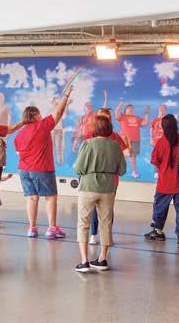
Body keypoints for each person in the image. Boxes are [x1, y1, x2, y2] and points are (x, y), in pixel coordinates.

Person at [13, 89, 72, 239]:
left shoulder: (19, 134)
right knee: (51, 197)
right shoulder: (42, 125)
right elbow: (58, 112)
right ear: (35, 116)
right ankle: (52, 229)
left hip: (24, 170)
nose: (41, 115)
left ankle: (32, 228)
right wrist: (66, 96)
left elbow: (19, 153)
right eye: (39, 114)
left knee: (32, 198)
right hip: (41, 169)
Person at [71, 115, 125, 273]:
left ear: (95, 128)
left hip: (88, 186)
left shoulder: (87, 144)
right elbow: (122, 170)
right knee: (105, 222)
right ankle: (102, 259)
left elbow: (78, 168)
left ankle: (84, 261)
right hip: (108, 188)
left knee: (83, 223)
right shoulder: (115, 145)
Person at [145, 113, 179, 244]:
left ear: (163, 127)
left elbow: (155, 161)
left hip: (165, 182)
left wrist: (163, 169)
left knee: (160, 208)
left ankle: (158, 231)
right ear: (176, 125)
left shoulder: (161, 142)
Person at [88, 109, 128, 245]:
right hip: (93, 180)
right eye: (99, 116)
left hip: (111, 180)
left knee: (108, 209)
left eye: (104, 117)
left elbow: (126, 153)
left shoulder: (115, 137)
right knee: (95, 208)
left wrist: (126, 146)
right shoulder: (90, 135)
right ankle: (94, 234)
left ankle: (107, 236)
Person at [116, 103, 150, 178]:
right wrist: (119, 105)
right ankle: (119, 170)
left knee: (133, 156)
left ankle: (134, 172)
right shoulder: (122, 116)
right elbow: (117, 112)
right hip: (125, 139)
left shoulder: (137, 117)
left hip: (135, 139)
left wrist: (146, 114)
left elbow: (145, 123)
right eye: (129, 108)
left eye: (132, 108)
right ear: (126, 109)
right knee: (124, 155)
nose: (131, 109)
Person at [49, 95, 67, 165]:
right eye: (55, 101)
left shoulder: (60, 110)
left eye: (57, 101)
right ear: (52, 102)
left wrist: (66, 106)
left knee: (58, 147)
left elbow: (64, 116)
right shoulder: (50, 111)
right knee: (52, 147)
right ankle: (52, 162)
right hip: (52, 130)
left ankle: (60, 162)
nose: (56, 102)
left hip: (59, 130)